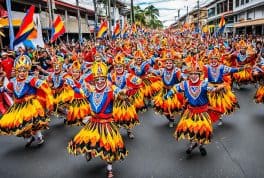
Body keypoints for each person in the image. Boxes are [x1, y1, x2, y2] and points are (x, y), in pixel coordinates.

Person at [68, 61, 128, 178]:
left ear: (106, 79)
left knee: (109, 146)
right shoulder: (90, 91)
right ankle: (89, 152)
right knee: (87, 140)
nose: (100, 81)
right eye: (97, 79)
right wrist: (73, 84)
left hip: (107, 124)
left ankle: (109, 169)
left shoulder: (111, 91)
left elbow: (122, 94)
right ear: (94, 80)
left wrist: (123, 92)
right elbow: (79, 91)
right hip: (94, 122)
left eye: (102, 79)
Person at [166, 61, 222, 156]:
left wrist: (218, 88)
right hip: (191, 111)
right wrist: (170, 92)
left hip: (202, 112)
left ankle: (200, 145)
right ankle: (193, 144)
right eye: (191, 74)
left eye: (195, 74)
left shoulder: (204, 84)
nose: (193, 76)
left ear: (199, 75)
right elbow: (176, 87)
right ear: (189, 75)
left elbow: (211, 89)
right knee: (190, 129)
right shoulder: (185, 84)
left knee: (204, 130)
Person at [0, 55, 54, 147]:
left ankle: (39, 136)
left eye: (24, 70)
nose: (22, 73)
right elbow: (7, 89)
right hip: (18, 105)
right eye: (19, 71)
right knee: (20, 123)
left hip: (31, 105)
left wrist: (48, 94)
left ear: (27, 71)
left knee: (34, 121)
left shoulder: (30, 79)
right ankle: (29, 137)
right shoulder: (13, 81)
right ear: (16, 71)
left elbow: (43, 85)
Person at [108, 53, 142, 138]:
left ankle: (129, 131)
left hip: (126, 99)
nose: (118, 68)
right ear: (114, 67)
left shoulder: (128, 75)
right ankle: (116, 132)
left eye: (120, 66)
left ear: (123, 67)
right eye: (117, 67)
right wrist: (115, 90)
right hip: (116, 100)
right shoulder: (111, 76)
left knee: (127, 116)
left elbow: (139, 82)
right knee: (116, 116)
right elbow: (108, 86)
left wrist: (127, 90)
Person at [150, 53, 185, 128]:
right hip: (164, 90)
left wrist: (182, 79)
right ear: (165, 64)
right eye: (167, 63)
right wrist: (151, 61)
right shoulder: (162, 70)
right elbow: (153, 71)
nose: (168, 64)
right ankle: (170, 119)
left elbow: (183, 78)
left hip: (174, 91)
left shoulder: (177, 70)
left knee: (173, 106)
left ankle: (173, 118)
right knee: (163, 107)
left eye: (170, 63)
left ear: (173, 64)